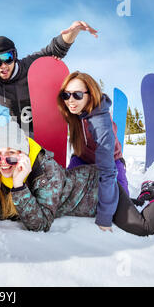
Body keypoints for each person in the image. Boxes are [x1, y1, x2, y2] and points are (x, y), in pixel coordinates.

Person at [0, 122, 154, 236]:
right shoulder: (3, 173)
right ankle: (147, 194)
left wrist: (18, 186)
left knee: (142, 227)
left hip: (101, 187)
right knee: (134, 206)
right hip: (88, 199)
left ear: (24, 153)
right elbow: (15, 213)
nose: (3, 161)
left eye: (10, 154)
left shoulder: (46, 172)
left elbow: (41, 224)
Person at [56, 71, 127, 231]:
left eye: (77, 95)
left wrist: (105, 217)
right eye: (66, 95)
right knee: (68, 194)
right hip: (82, 158)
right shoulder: (73, 111)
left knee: (120, 208)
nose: (70, 100)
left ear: (90, 94)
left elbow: (107, 171)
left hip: (111, 163)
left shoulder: (100, 123)